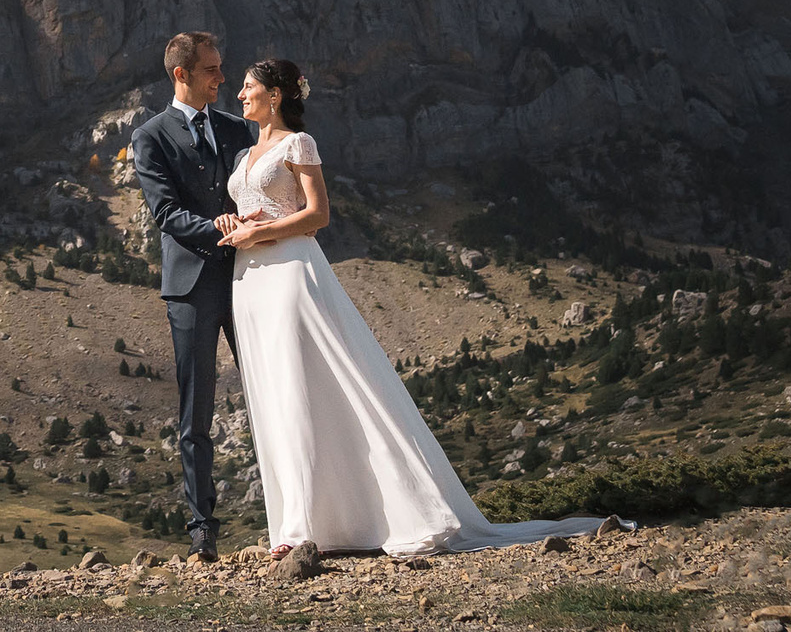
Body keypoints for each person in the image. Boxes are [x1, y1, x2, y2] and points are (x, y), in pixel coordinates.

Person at [218, 58, 610, 555]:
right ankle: (310, 521)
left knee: (302, 386)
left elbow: (317, 216)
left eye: (248, 87)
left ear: (275, 94)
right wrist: (235, 224)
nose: (239, 95)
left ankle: (307, 528)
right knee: (274, 392)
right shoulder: (244, 155)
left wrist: (261, 230)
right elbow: (264, 207)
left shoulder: (299, 144)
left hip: (292, 272)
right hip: (250, 280)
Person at [127, 30, 255, 561]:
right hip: (192, 286)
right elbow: (164, 214)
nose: (222, 79)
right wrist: (218, 226)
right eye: (211, 71)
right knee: (195, 411)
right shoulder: (149, 136)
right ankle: (202, 529)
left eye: (222, 69)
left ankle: (295, 515)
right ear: (181, 74)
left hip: (252, 279)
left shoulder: (238, 129)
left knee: (274, 394)